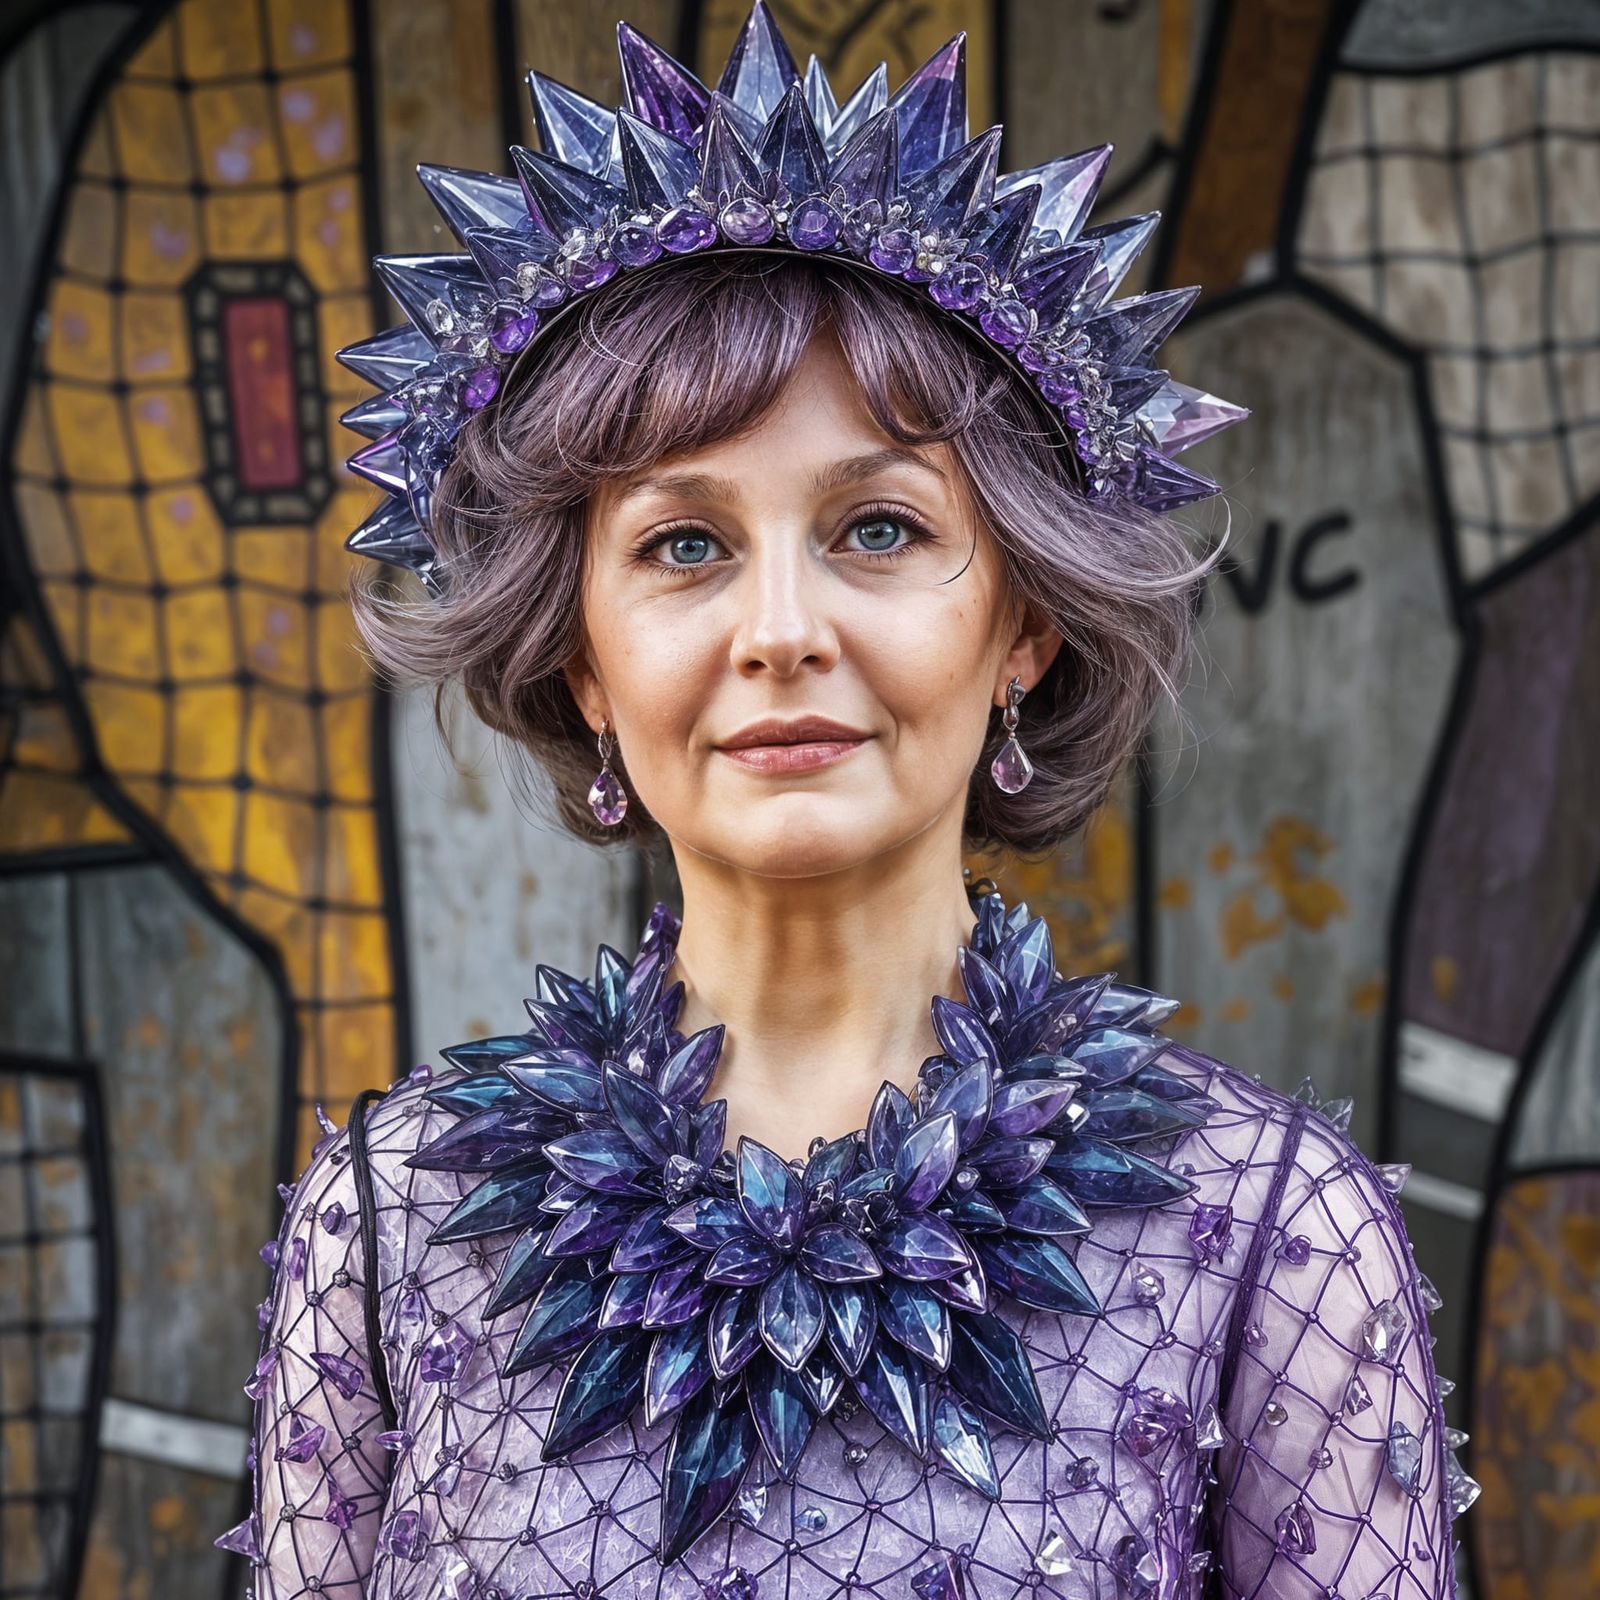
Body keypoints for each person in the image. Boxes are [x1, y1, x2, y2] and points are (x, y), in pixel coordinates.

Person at [216, 7, 1473, 1596]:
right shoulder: (394, 1228)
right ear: (581, 661)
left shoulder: (1269, 1239)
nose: (782, 628)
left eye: (877, 528)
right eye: (685, 544)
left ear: (1024, 623)